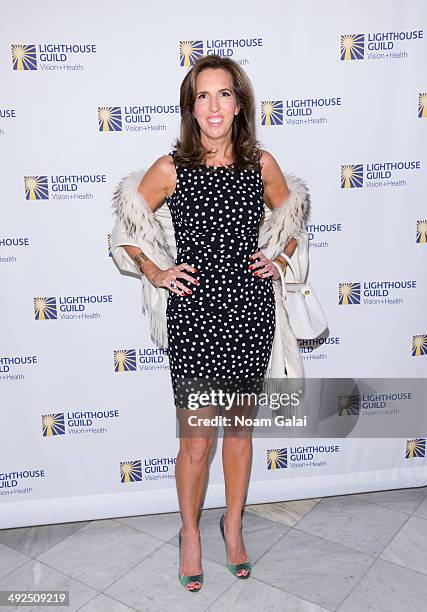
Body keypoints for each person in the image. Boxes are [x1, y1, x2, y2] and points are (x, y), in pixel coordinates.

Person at [111, 55, 309, 592]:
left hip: (248, 310)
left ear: (239, 103)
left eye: (224, 94)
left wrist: (281, 258)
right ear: (190, 107)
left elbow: (293, 216)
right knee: (196, 441)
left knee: (239, 434)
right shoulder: (171, 167)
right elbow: (125, 229)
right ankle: (191, 534)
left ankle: (234, 527)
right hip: (195, 313)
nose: (214, 105)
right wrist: (154, 269)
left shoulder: (260, 165)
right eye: (203, 95)